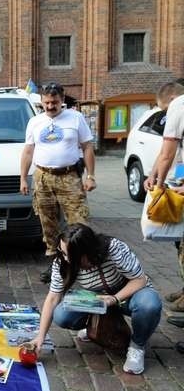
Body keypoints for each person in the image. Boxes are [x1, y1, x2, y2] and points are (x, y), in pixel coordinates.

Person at [28, 223, 161, 375]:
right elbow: (53, 298)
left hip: (129, 295)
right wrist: (40, 336)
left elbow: (140, 280)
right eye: (61, 252)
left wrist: (114, 299)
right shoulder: (61, 263)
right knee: (61, 314)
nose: (64, 258)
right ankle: (92, 325)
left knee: (150, 304)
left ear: (85, 253)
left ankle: (137, 346)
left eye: (68, 254)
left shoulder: (114, 248)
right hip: (98, 299)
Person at [19, 82, 96, 283]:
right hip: (42, 178)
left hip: (69, 177)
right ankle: (56, 265)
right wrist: (23, 178)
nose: (51, 106)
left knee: (79, 223)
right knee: (48, 224)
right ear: (42, 102)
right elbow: (28, 152)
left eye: (54, 102)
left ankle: (81, 266)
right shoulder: (35, 122)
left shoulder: (76, 118)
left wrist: (91, 176)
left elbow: (87, 147)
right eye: (47, 102)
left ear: (62, 100)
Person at [143, 81, 184, 313]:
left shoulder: (179, 105)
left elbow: (167, 153)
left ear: (171, 99)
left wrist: (157, 187)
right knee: (180, 240)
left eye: (164, 111)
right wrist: (153, 174)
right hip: (180, 179)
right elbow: (166, 153)